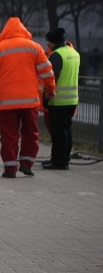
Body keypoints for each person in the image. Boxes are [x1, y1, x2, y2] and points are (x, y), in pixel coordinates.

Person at [0, 17, 56, 178]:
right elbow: (47, 71)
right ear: (23, 31)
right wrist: (50, 89)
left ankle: (10, 168)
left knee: (9, 135)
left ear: (5, 32)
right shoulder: (35, 48)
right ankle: (27, 163)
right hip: (30, 101)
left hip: (7, 103)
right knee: (31, 133)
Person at [42, 27, 80, 170]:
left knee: (58, 133)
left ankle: (59, 162)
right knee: (66, 131)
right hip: (72, 100)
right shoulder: (74, 53)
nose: (48, 46)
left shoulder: (56, 55)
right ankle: (62, 159)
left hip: (58, 101)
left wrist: (46, 97)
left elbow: (52, 78)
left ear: (53, 42)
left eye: (48, 43)